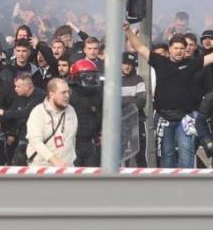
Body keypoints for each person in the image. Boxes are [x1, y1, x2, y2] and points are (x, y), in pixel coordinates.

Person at [124, 22, 213, 168]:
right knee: (167, 154)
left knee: (186, 152)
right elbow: (140, 47)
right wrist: (128, 31)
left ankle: (186, 187)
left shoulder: (193, 63)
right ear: (169, 49)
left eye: (182, 49)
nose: (179, 51)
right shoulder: (159, 61)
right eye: (176, 48)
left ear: (186, 51)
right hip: (164, 117)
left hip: (186, 118)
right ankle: (168, 188)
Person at [0, 73, 46, 165]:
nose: (15, 89)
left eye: (18, 87)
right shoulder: (19, 97)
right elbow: (12, 111)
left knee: (22, 160)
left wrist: (4, 113)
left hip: (37, 136)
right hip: (22, 134)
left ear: (28, 87)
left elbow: (27, 112)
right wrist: (0, 122)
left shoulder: (40, 96)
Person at [26, 78, 78, 167]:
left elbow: (72, 139)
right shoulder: (38, 112)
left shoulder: (71, 110)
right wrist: (54, 161)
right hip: (42, 168)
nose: (67, 96)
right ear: (52, 94)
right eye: (63, 92)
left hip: (67, 167)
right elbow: (36, 142)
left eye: (68, 92)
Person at [67, 58, 103, 167]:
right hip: (73, 142)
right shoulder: (69, 94)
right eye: (88, 76)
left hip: (92, 140)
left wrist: (102, 132)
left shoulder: (99, 93)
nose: (92, 79)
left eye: (93, 76)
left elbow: (104, 115)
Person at [121, 52, 146, 167]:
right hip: (120, 122)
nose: (127, 66)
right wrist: (130, 102)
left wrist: (124, 106)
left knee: (140, 154)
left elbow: (141, 100)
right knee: (122, 154)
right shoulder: (114, 80)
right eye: (124, 63)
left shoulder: (138, 79)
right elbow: (111, 101)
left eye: (130, 64)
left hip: (136, 121)